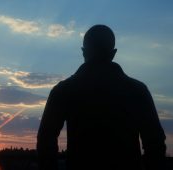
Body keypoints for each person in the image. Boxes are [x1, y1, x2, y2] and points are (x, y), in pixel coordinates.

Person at [37, 25, 166, 170]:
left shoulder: (63, 90)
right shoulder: (137, 90)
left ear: (84, 52)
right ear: (113, 53)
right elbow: (155, 142)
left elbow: (45, 140)